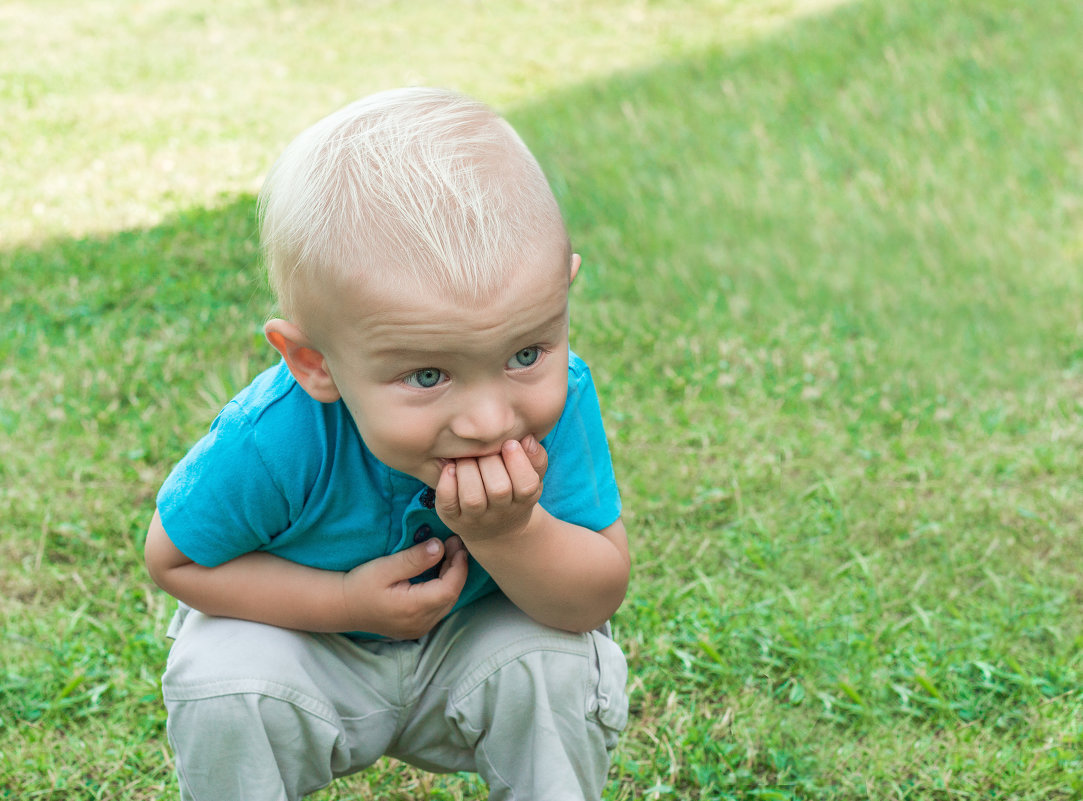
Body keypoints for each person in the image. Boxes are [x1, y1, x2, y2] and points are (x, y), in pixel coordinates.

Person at [144, 86, 631, 801]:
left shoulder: (563, 403)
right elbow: (174, 558)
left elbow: (592, 597)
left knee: (554, 662)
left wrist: (514, 530)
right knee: (223, 675)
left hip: (475, 650)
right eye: (428, 375)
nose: (491, 419)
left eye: (526, 354)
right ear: (313, 363)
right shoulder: (274, 436)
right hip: (310, 651)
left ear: (563, 292)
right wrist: (344, 603)